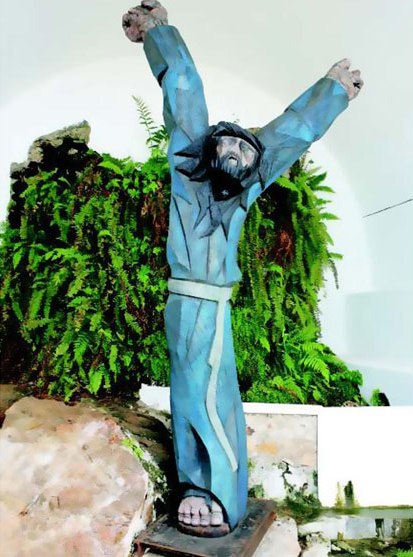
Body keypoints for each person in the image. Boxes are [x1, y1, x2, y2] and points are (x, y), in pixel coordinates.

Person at [122, 0, 363, 537]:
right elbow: (184, 90)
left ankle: (220, 495)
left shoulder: (244, 191)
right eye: (225, 143)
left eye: (243, 146)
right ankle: (195, 484)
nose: (233, 151)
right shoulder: (189, 177)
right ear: (207, 152)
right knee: (189, 394)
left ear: (254, 161)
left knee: (207, 397)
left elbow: (290, 132)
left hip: (210, 305)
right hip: (180, 301)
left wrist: (332, 89)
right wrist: (158, 31)